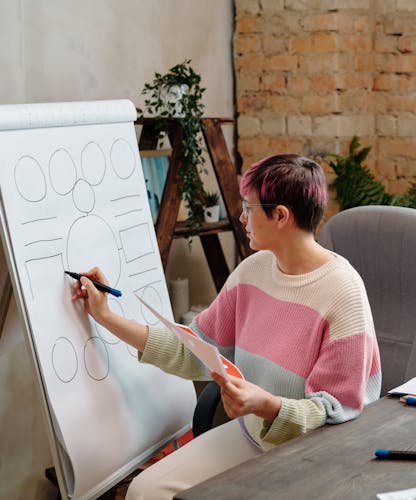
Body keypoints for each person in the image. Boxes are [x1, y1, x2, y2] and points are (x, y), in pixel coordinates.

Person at [72, 154, 382, 499]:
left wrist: (266, 405)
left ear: (280, 215)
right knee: (146, 492)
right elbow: (193, 348)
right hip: (254, 434)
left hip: (312, 455)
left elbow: (335, 411)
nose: (241, 217)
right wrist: (106, 317)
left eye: (249, 208)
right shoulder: (252, 272)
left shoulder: (343, 291)